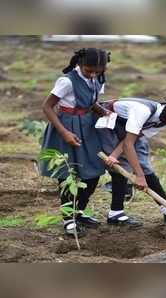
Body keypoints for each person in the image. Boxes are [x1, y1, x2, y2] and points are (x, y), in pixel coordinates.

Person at [40, 48, 110, 236]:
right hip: (67, 126)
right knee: (68, 174)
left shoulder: (98, 79)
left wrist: (104, 112)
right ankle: (68, 220)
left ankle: (78, 212)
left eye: (98, 70)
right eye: (89, 70)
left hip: (88, 127)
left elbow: (91, 102)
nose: (93, 74)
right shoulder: (67, 81)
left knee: (94, 171)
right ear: (80, 64)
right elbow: (47, 106)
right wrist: (63, 133)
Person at [97, 96, 166, 226]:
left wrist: (115, 155)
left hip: (128, 132)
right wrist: (138, 175)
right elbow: (128, 144)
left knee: (144, 167)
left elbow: (135, 137)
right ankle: (116, 213)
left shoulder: (162, 120)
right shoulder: (143, 111)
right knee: (122, 166)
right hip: (109, 122)